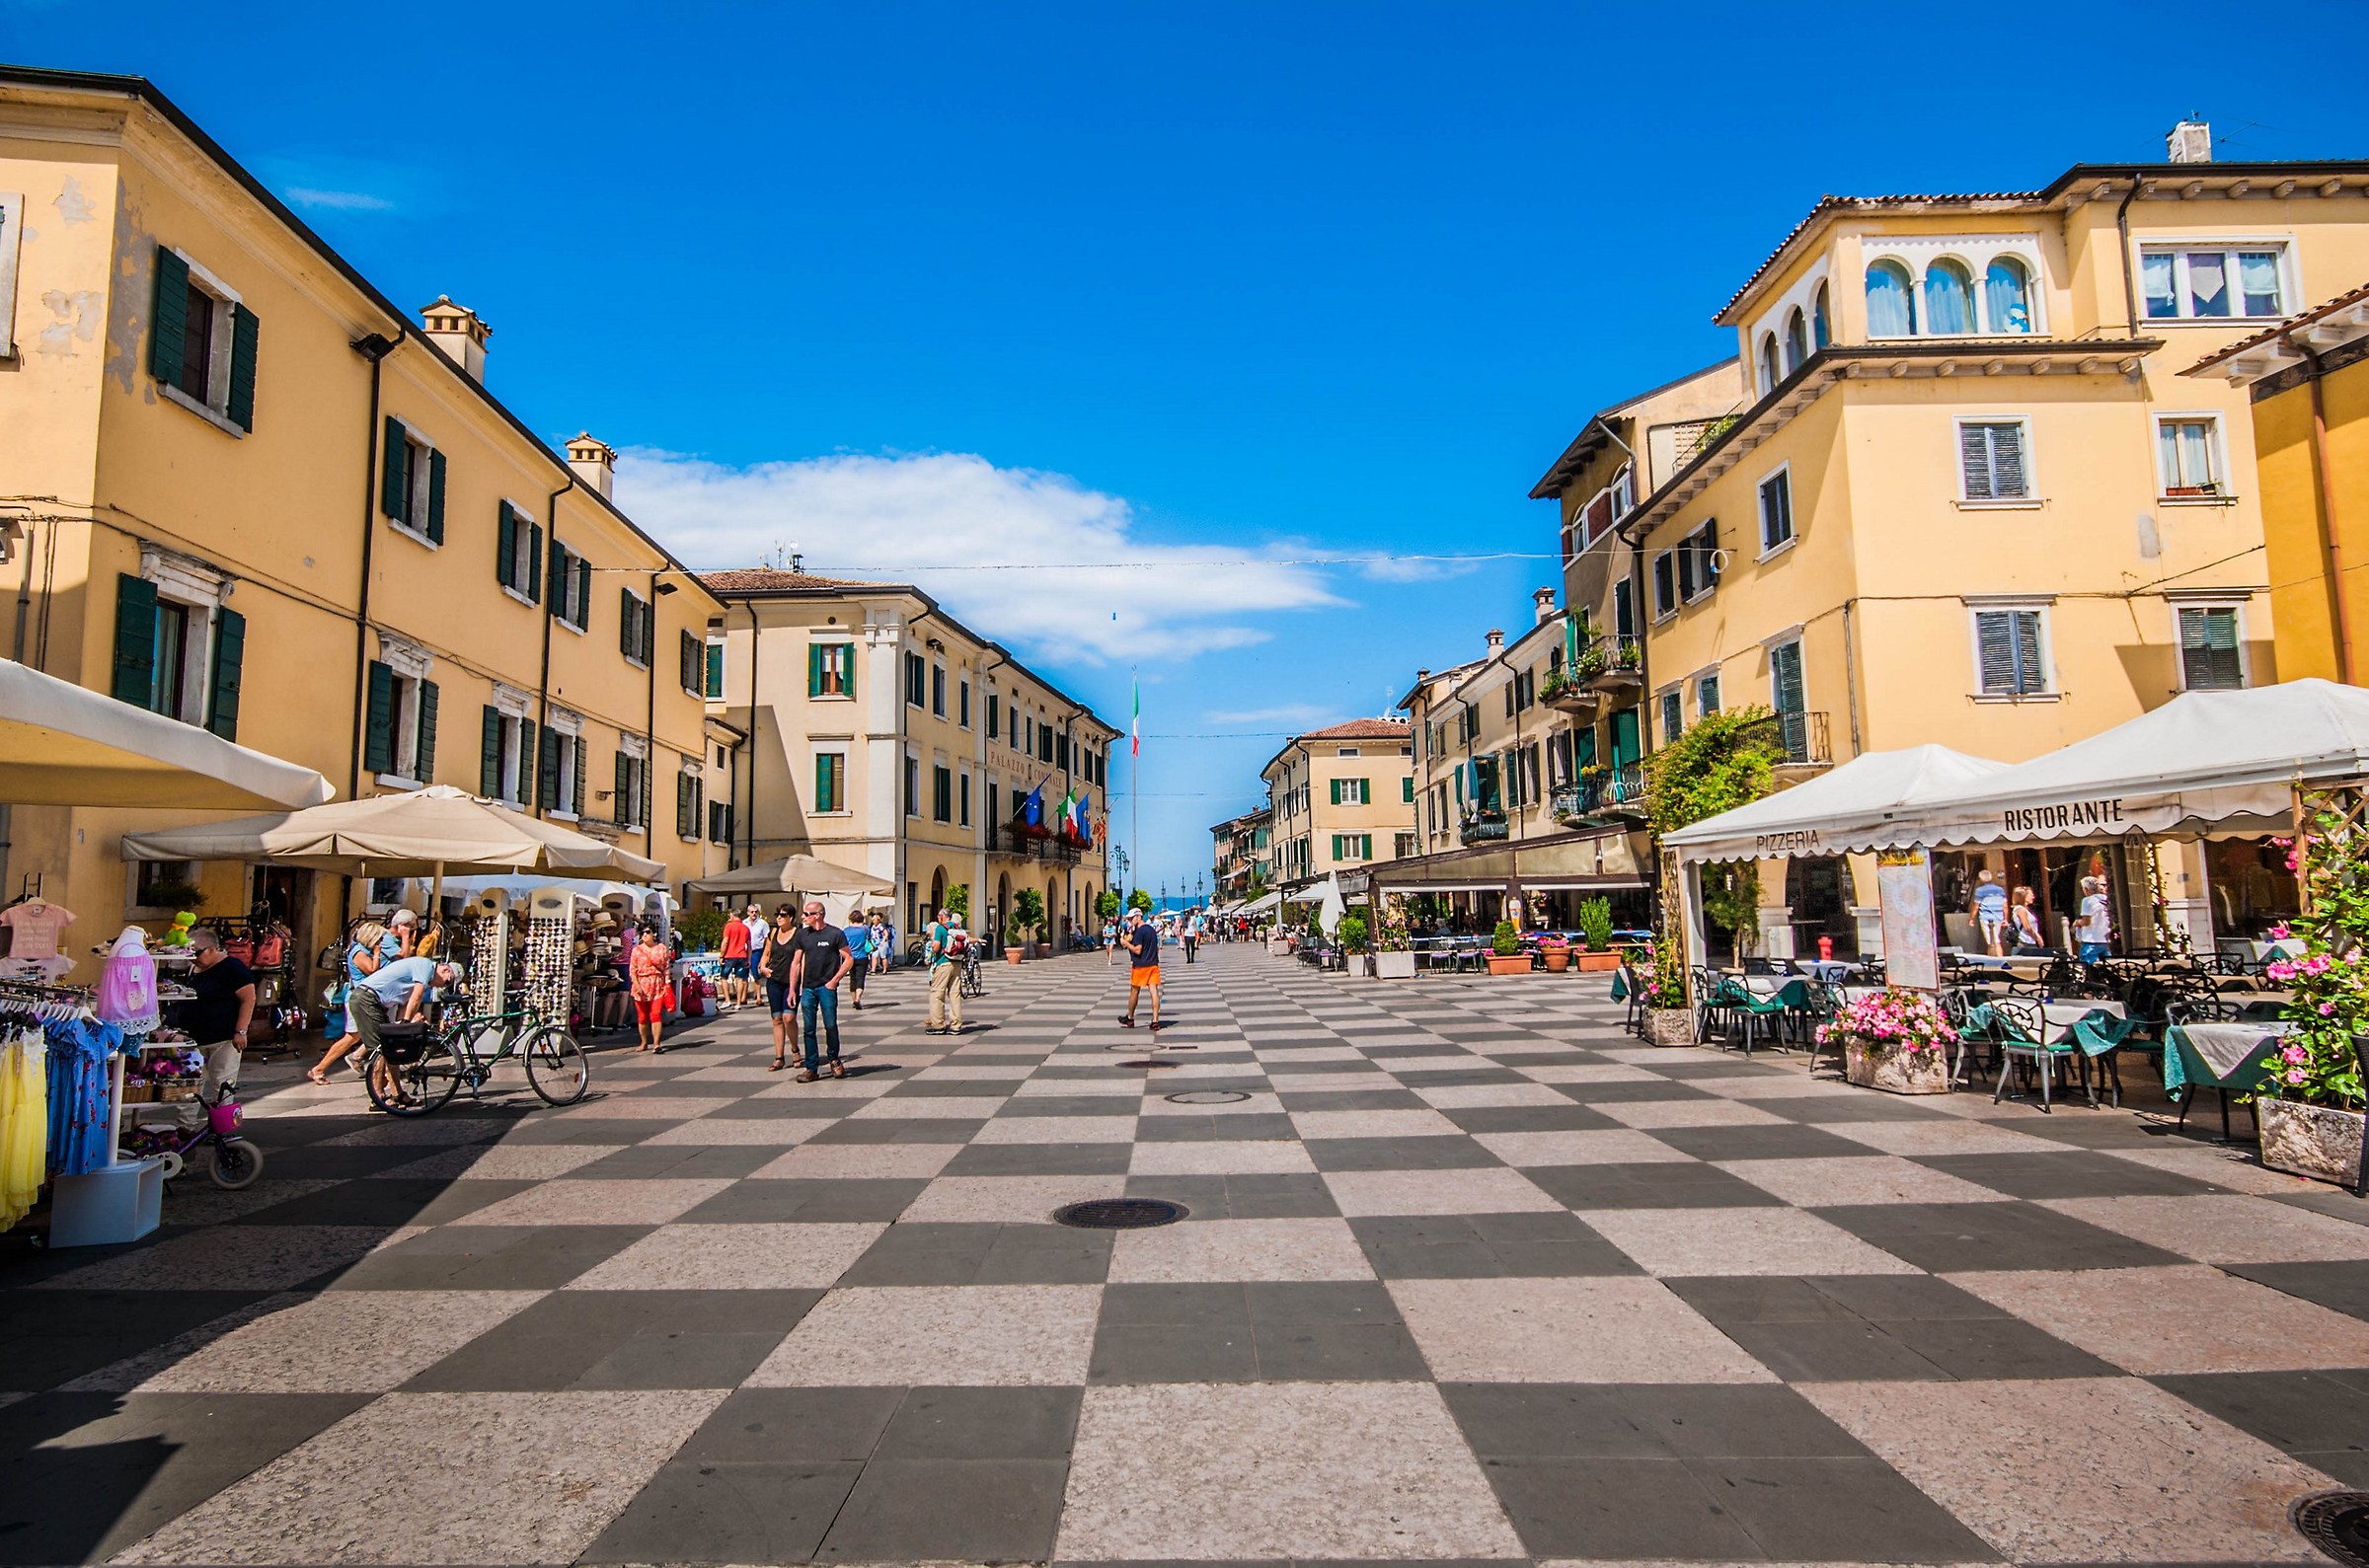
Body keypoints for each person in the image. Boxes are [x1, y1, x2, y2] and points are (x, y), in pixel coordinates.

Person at [348, 954, 460, 1108]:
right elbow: (416, 996)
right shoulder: (425, 966)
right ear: (445, 969)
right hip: (366, 999)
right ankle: (378, 1096)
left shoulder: (422, 974)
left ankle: (397, 1093)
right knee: (381, 1050)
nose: (442, 987)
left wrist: (404, 1023)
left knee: (392, 1048)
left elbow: (406, 1003)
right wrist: (407, 1023)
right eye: (447, 982)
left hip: (375, 1002)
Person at [183, 927, 255, 1123]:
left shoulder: (232, 967)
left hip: (223, 1037)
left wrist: (241, 1031)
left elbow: (248, 999)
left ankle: (223, 1128)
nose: (192, 957)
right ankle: (185, 1127)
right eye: (188, 952)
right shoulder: (194, 968)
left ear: (213, 949)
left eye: (196, 952)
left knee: (222, 1084)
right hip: (193, 1038)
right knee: (189, 1085)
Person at [787, 899, 855, 1080]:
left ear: (818, 915)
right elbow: (796, 962)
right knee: (809, 1028)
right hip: (808, 987)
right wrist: (792, 989)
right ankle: (811, 1068)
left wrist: (834, 980)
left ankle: (834, 1059)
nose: (803, 917)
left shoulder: (835, 934)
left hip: (826, 987)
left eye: (807, 914)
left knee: (830, 1025)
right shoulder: (802, 935)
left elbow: (848, 959)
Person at [759, 904, 801, 1071]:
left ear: (791, 917)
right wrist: (763, 967)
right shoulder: (773, 933)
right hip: (774, 980)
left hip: (791, 982)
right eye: (777, 914)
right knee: (777, 1019)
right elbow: (766, 953)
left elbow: (801, 959)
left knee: (789, 1018)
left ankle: (795, 1050)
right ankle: (779, 1057)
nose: (778, 918)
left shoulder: (799, 935)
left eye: (782, 915)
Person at [630, 922, 672, 1054]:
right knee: (642, 1016)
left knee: (656, 1014)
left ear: (653, 933)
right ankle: (643, 1042)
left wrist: (667, 983)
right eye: (642, 933)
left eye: (647, 932)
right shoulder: (636, 950)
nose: (645, 935)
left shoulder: (661, 948)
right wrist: (636, 985)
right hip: (641, 984)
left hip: (657, 984)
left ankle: (656, 1043)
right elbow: (632, 969)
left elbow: (665, 967)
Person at [923, 907, 965, 1035]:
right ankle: (956, 1026)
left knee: (937, 994)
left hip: (943, 963)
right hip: (957, 963)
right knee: (955, 994)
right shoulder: (957, 927)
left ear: (942, 917)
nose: (937, 918)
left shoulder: (940, 928)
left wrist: (931, 953)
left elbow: (935, 947)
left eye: (938, 916)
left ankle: (938, 1025)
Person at [1120, 909, 1163, 1031]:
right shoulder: (1151, 930)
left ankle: (1130, 1018)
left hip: (1140, 965)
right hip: (1153, 964)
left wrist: (1125, 943)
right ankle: (1155, 1021)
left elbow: (1138, 950)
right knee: (1154, 992)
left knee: (1134, 991)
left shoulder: (1139, 932)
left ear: (1138, 917)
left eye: (1131, 918)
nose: (1129, 921)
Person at [717, 904, 753, 1010]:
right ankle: (738, 1003)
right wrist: (749, 958)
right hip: (742, 955)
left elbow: (725, 941)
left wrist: (721, 955)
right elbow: (749, 945)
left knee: (724, 977)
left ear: (732, 916)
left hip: (729, 955)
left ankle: (727, 1000)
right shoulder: (746, 928)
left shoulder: (729, 926)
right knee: (740, 979)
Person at [2076, 875, 2113, 964]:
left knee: (2089, 967)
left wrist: (2077, 923)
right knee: (2108, 966)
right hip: (2104, 939)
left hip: (2091, 940)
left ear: (2086, 889)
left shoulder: (2087, 900)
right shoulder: (2106, 899)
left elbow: (2086, 921)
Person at [1970, 869, 2007, 956]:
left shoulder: (1980, 890)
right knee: (1996, 939)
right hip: (1998, 916)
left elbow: (1976, 906)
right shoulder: (2000, 890)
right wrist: (2005, 918)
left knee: (1990, 941)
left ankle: (1994, 961)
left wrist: (1971, 918)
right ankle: (1999, 959)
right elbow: (2005, 905)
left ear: (1981, 879)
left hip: (1986, 916)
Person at [842, 911, 872, 1009]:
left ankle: (853, 999)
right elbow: (870, 938)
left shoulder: (846, 930)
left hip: (850, 957)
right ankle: (858, 999)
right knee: (860, 978)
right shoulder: (865, 929)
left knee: (852, 978)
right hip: (862, 956)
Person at [2009, 886, 2046, 954]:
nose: (2033, 897)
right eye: (2031, 895)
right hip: (2025, 943)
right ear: (2024, 896)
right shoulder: (2020, 909)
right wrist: (2037, 937)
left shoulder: (2026, 909)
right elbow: (2027, 927)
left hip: (2030, 941)